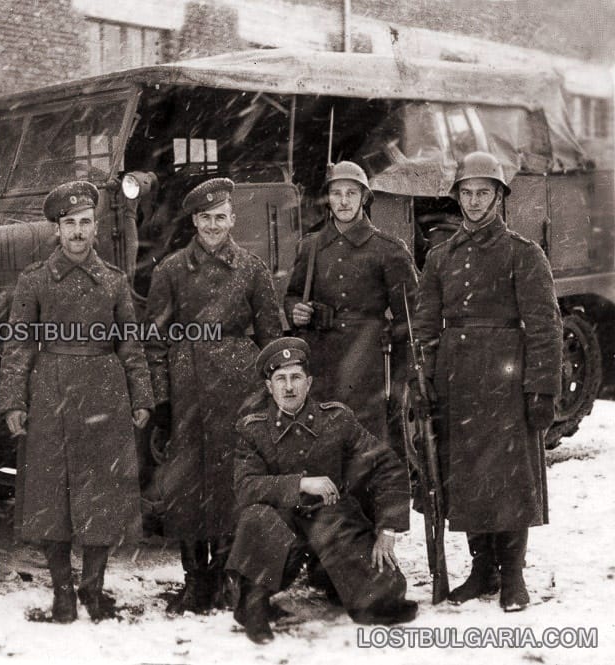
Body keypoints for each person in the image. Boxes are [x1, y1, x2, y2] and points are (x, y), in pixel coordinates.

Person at [412, 151, 562, 612]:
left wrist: (542, 389)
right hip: (457, 380)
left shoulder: (523, 253)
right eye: (467, 193)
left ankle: (513, 575)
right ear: (457, 198)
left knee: (511, 477)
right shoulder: (440, 257)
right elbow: (425, 323)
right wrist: (425, 377)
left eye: (484, 192)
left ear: (499, 196)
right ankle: (482, 570)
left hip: (507, 378)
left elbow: (544, 324)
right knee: (466, 475)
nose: (474, 202)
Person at [0, 181, 154, 623]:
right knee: (52, 497)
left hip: (105, 390)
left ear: (96, 228)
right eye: (70, 224)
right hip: (50, 393)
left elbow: (130, 345)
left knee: (101, 496)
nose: (78, 232)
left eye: (86, 223)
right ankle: (62, 595)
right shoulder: (35, 281)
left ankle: (93, 589)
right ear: (57, 230)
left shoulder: (114, 281)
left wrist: (141, 395)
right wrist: (13, 402)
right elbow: (18, 347)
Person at [144, 177, 282, 614]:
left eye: (221, 217)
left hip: (237, 393)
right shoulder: (169, 271)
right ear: (194, 222)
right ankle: (193, 580)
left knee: (230, 485)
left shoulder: (253, 269)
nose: (213, 226)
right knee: (185, 487)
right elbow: (154, 342)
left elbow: (272, 340)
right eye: (205, 218)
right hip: (187, 392)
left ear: (233, 219)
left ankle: (226, 577)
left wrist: (268, 397)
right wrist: (164, 401)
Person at [227, 337, 417, 644]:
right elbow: (246, 487)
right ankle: (253, 604)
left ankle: (332, 578)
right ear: (269, 386)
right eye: (280, 379)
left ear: (309, 382)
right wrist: (301, 484)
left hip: (330, 522)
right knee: (257, 516)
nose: (289, 387)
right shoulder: (253, 429)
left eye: (296, 378)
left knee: (384, 598)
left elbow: (387, 465)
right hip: (281, 526)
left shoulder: (337, 419)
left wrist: (389, 528)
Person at [284, 161, 418, 448]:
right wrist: (295, 310)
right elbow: (293, 294)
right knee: (322, 438)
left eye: (351, 193)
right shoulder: (311, 246)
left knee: (368, 442)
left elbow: (411, 317)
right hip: (322, 360)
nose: (343, 201)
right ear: (327, 198)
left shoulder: (388, 250)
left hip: (369, 363)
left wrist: (400, 377)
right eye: (336, 193)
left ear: (364, 198)